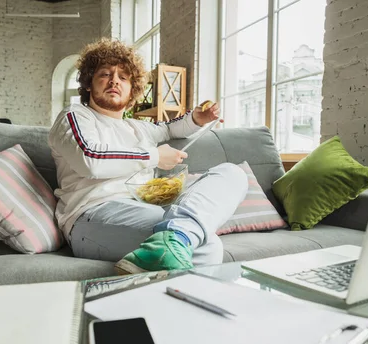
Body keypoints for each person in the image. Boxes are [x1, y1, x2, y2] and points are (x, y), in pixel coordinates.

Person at [48, 38, 248, 274]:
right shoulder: (75, 116)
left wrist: (197, 119)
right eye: (105, 74)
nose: (114, 80)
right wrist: (154, 157)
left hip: (144, 208)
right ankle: (178, 244)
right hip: (91, 215)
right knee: (206, 245)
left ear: (132, 90)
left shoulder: (138, 127)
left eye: (123, 77)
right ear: (89, 83)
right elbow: (91, 160)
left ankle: (178, 237)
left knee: (233, 173)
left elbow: (172, 128)